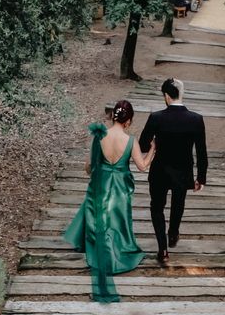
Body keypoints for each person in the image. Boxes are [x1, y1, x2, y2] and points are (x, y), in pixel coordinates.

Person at [63, 101, 156, 302]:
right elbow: (142, 166)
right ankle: (118, 253)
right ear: (129, 120)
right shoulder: (131, 141)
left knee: (100, 218)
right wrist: (153, 150)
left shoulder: (100, 136)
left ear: (114, 116)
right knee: (117, 221)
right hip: (120, 188)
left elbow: (88, 168)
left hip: (102, 185)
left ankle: (98, 248)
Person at [138, 78, 208, 263]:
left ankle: (162, 250)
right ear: (181, 94)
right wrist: (201, 177)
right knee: (178, 204)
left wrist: (153, 144)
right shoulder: (196, 119)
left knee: (157, 207)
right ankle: (174, 232)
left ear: (167, 96)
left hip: (159, 170)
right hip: (183, 171)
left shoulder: (156, 117)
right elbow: (201, 151)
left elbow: (142, 145)